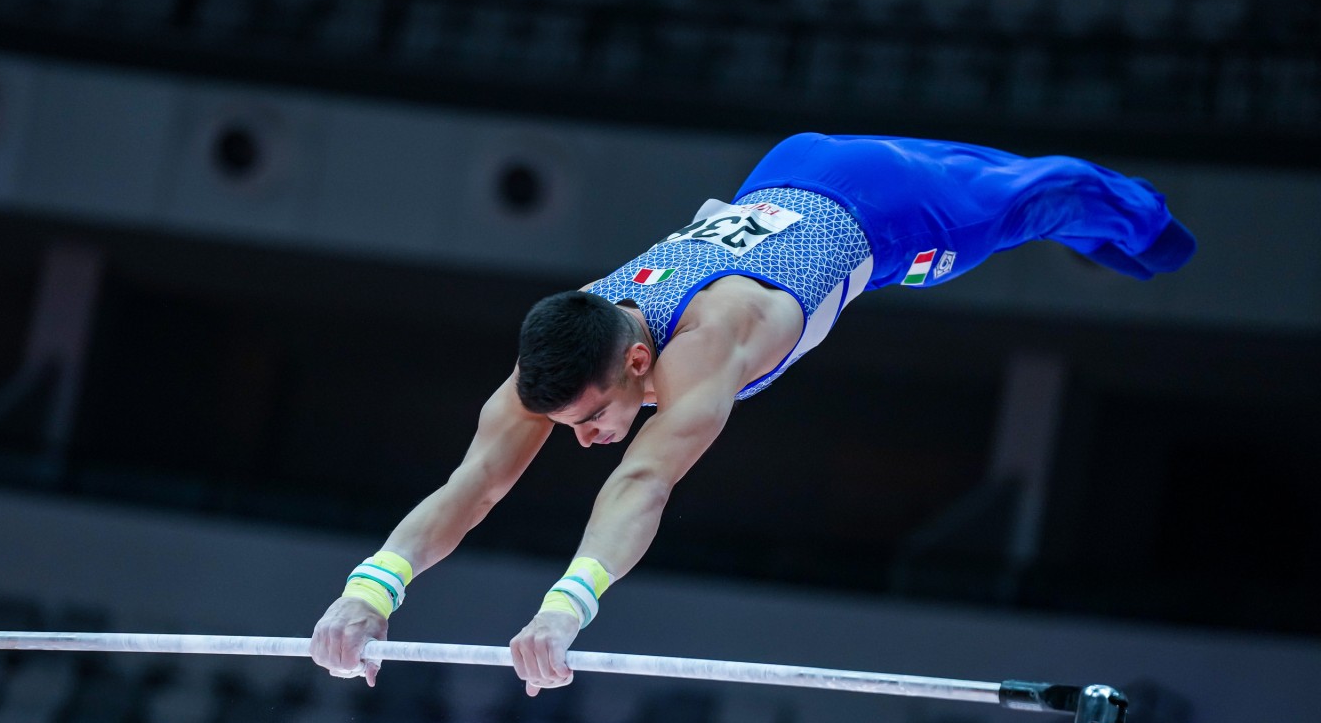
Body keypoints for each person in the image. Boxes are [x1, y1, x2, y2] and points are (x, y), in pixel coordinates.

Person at [308, 132, 1196, 694]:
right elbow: (476, 482)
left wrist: (564, 609)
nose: (585, 439)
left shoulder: (712, 339)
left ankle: (1152, 231)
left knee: (1038, 196)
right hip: (784, 170)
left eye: (593, 418)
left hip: (890, 214)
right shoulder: (569, 338)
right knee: (989, 171)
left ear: (642, 361)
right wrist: (368, 592)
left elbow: (644, 481)